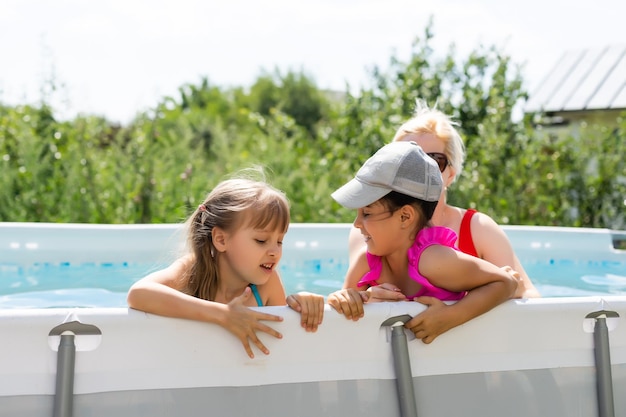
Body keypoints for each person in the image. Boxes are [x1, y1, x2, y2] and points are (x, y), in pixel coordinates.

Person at [328, 141, 524, 343]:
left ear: (405, 217)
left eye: (367, 213)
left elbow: (505, 282)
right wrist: (346, 299)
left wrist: (450, 317)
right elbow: (341, 315)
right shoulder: (366, 262)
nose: (357, 223)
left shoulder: (433, 260)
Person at [348, 101, 541, 298]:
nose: (418, 170)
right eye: (404, 164)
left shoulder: (478, 229)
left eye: (432, 161)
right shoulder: (366, 231)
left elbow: (528, 296)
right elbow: (348, 298)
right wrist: (368, 297)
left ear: (451, 174)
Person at [127, 171, 324, 359]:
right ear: (221, 240)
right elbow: (138, 293)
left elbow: (283, 344)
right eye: (262, 241)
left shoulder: (267, 285)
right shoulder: (192, 270)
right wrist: (224, 315)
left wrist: (300, 305)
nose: (275, 252)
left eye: (280, 241)